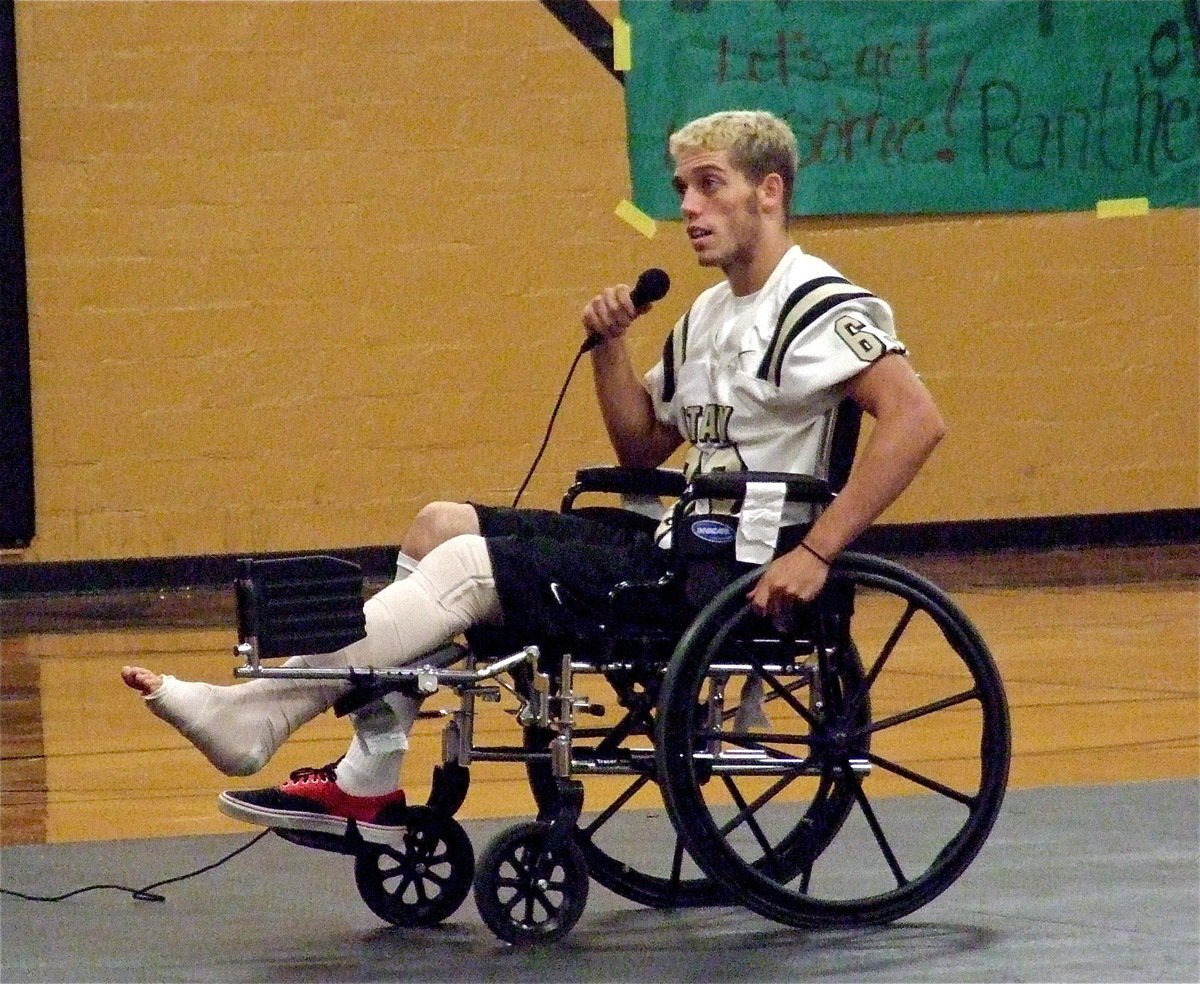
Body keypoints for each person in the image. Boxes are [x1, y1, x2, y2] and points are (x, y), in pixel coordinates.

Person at [122, 109, 946, 840]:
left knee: (472, 569)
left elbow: (916, 422)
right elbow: (641, 447)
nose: (688, 207)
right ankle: (372, 765)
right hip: (676, 539)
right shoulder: (708, 314)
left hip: (733, 569)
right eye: (681, 188)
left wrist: (820, 552)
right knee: (441, 524)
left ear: (769, 192)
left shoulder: (819, 303)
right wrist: (613, 347)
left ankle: (255, 716)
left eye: (708, 186)